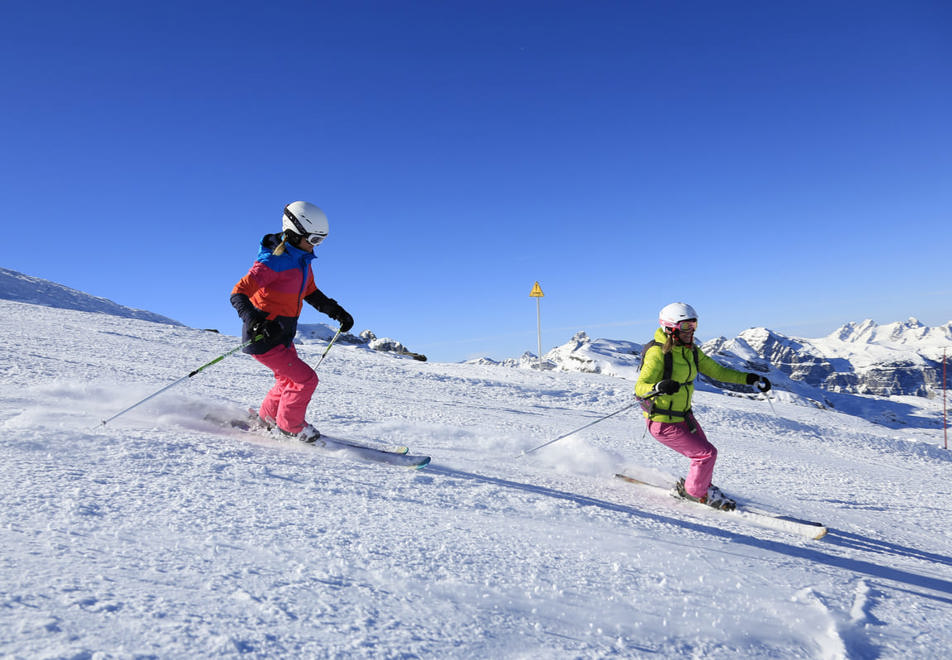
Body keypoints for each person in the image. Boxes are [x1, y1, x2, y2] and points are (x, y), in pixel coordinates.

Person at [230, 201, 354, 442]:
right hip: (264, 336)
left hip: (283, 335)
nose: (316, 246)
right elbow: (238, 292)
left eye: (321, 240)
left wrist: (337, 311)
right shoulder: (272, 262)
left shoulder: (302, 262)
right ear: (295, 234)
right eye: (314, 239)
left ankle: (267, 419)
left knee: (288, 379)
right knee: (306, 379)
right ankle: (291, 426)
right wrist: (255, 320)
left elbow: (311, 292)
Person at [634, 302, 771, 510]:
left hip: (683, 417)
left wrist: (749, 378)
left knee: (705, 455)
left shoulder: (691, 352)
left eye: (694, 325)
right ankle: (694, 493)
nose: (692, 331)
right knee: (705, 454)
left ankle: (700, 486)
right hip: (662, 422)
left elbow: (718, 372)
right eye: (686, 326)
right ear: (670, 328)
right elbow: (640, 387)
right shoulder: (658, 353)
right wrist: (659, 385)